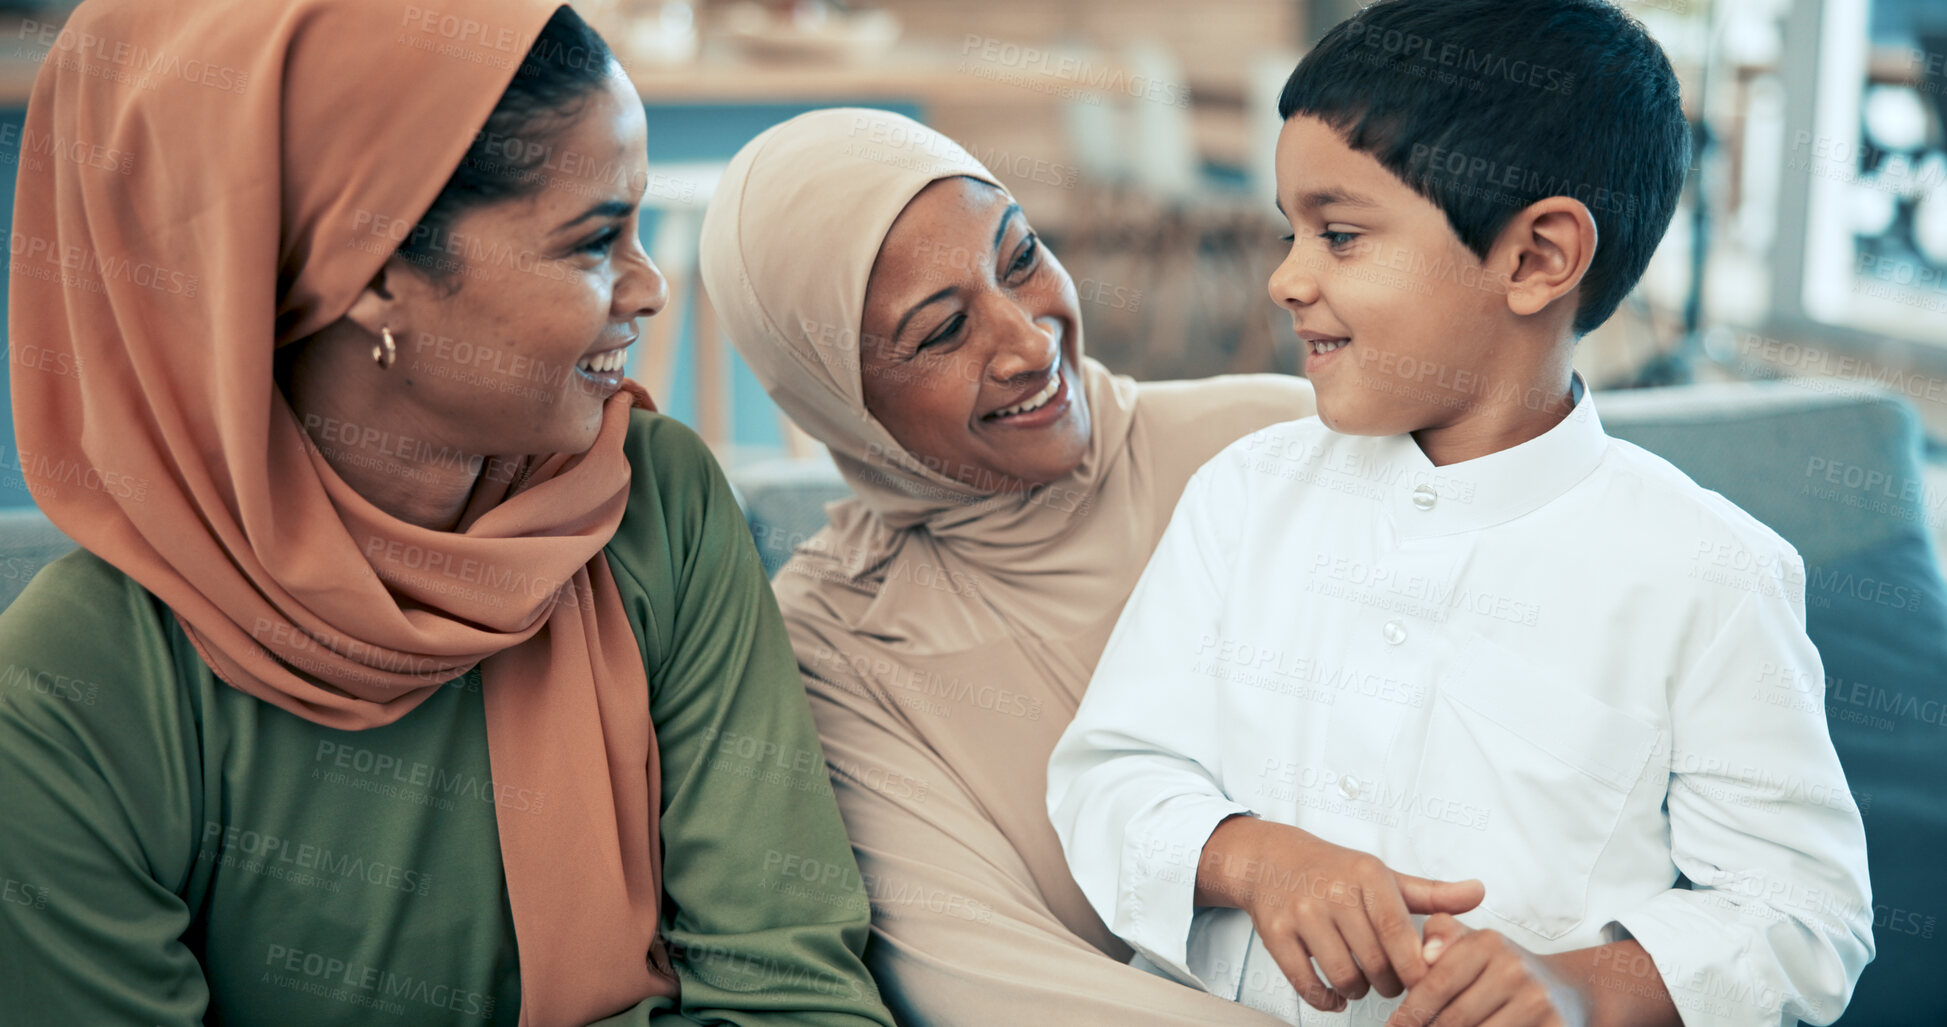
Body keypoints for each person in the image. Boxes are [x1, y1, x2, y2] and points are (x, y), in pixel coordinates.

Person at [0, 3, 890, 1025]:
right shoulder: (69, 697)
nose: (648, 290)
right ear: (374, 273)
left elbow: (799, 998)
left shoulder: (657, 502)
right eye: (595, 240)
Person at [1048, 1, 1874, 1025]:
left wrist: (1582, 985)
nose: (1286, 277)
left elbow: (1804, 912)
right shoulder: (1244, 494)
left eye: (1340, 235)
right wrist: (1253, 857)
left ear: (1535, 260)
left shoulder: (1709, 571)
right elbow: (1107, 775)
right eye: (1290, 230)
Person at [700, 107, 1431, 1025]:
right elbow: (983, 976)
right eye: (940, 333)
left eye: (1019, 260)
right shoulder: (836, 644)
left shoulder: (1278, 447)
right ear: (832, 395)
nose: (1028, 342)